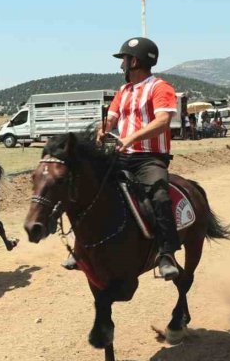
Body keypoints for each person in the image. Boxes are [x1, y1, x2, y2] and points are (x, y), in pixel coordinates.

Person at [69, 36, 181, 280]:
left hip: (150, 158)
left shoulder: (160, 87)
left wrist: (131, 139)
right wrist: (104, 128)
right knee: (88, 186)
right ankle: (81, 248)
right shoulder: (124, 90)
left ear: (135, 62)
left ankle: (167, 253)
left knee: (160, 197)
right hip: (121, 154)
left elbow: (163, 121)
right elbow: (112, 118)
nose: (121, 65)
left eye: (124, 60)